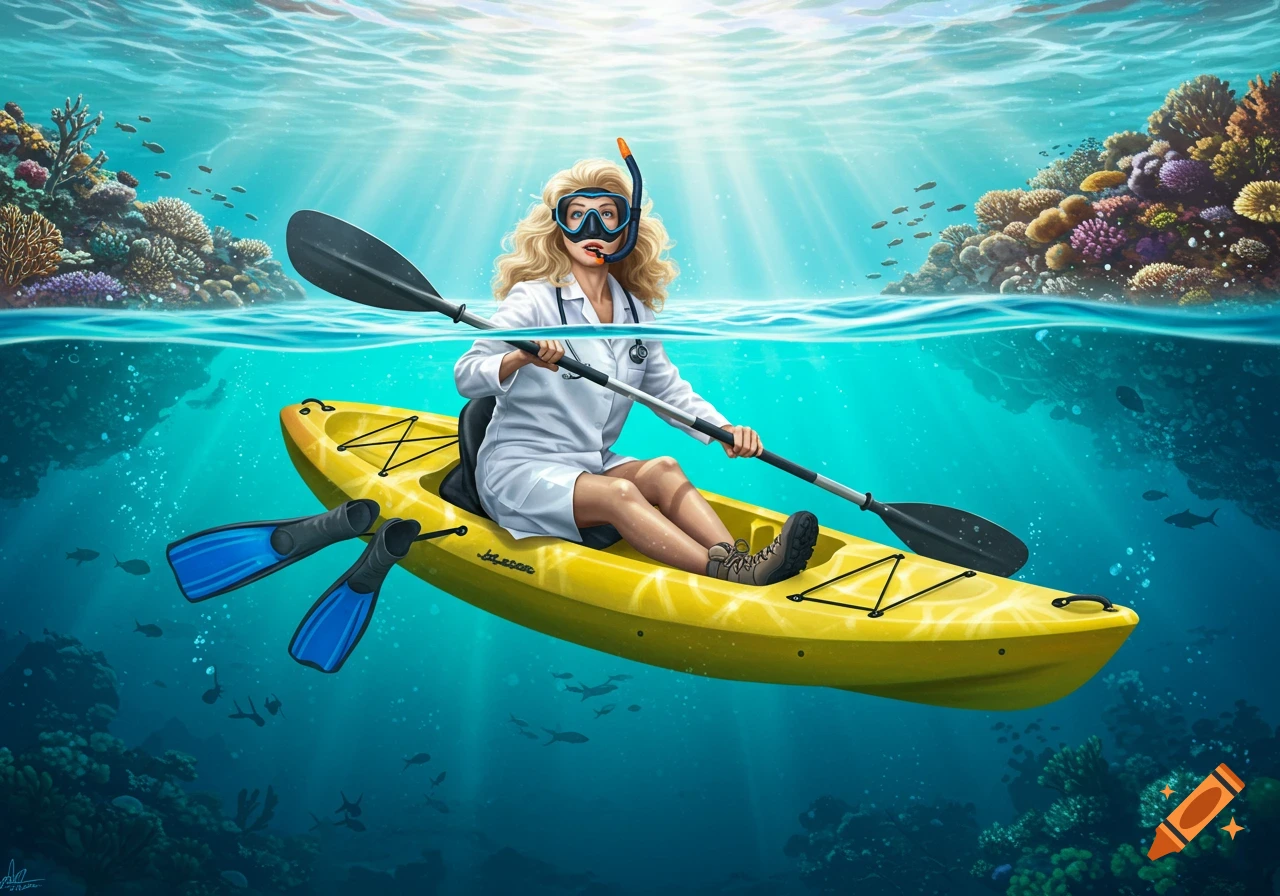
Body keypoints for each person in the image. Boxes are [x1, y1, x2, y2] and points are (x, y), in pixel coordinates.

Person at [453, 152, 817, 586]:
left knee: (663, 468)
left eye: (607, 215)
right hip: (521, 470)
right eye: (578, 216)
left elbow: (669, 392)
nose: (594, 230)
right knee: (622, 493)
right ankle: (725, 574)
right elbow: (467, 374)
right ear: (559, 229)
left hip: (589, 463)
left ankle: (735, 559)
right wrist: (519, 357)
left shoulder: (634, 311)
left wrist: (726, 431)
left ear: (626, 228)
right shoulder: (531, 300)